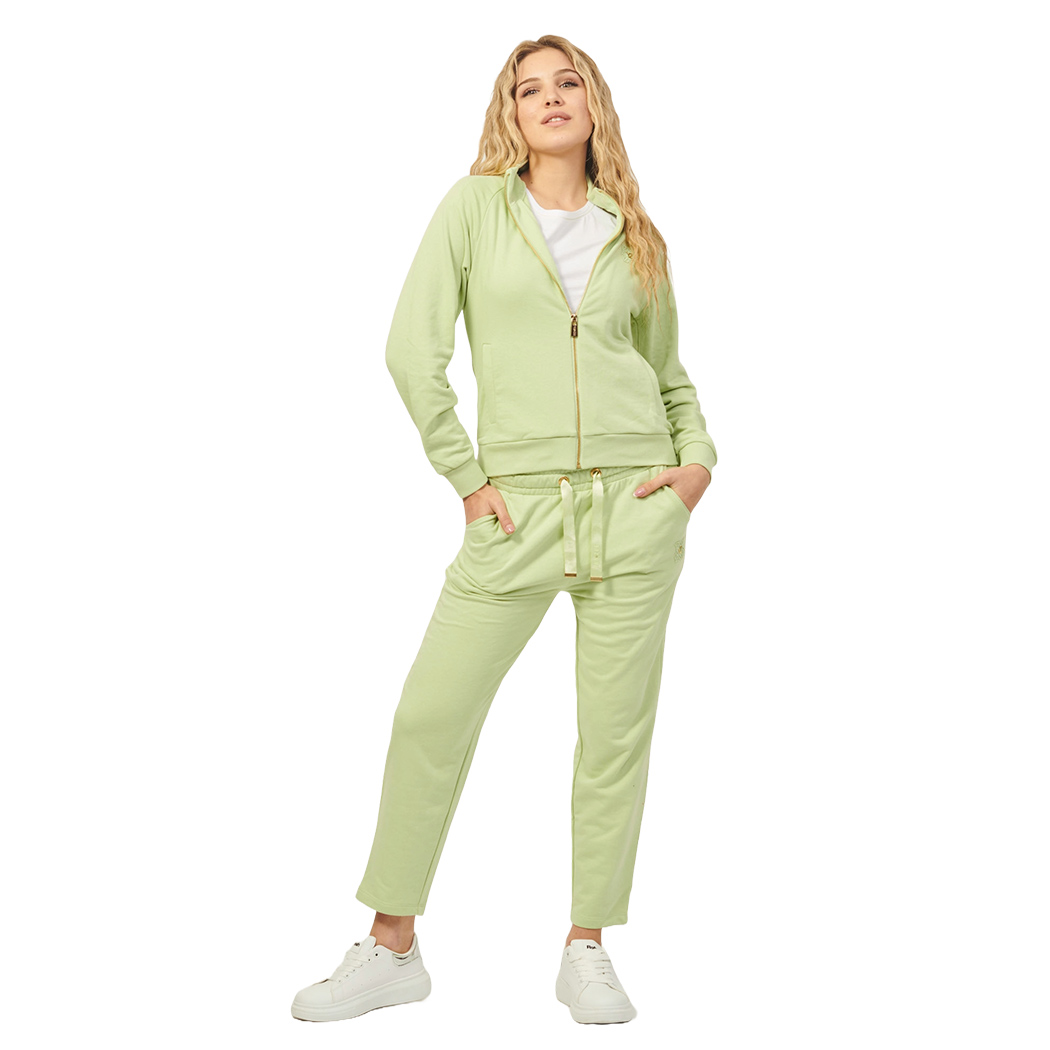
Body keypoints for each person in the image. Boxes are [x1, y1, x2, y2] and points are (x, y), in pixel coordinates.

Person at [291, 33, 717, 1026]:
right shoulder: (474, 209)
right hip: (516, 508)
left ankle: (586, 945)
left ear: (593, 103)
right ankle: (392, 945)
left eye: (568, 82)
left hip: (636, 507)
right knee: (430, 716)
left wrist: (695, 466)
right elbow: (411, 352)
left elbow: (668, 373)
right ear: (510, 113)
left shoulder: (633, 229)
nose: (550, 98)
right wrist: (468, 478)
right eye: (529, 88)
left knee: (613, 736)